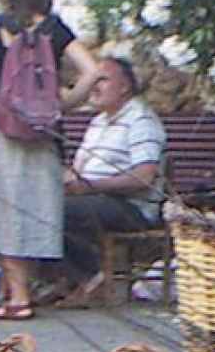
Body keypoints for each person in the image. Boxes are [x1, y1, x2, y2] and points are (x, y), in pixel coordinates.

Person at [0, 0, 99, 320]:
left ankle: (18, 298)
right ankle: (23, 292)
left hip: (2, 135)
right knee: (35, 210)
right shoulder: (56, 31)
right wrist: (64, 102)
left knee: (5, 211)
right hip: (44, 136)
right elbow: (93, 71)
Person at [56, 57, 167, 308]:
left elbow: (144, 177)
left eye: (102, 80)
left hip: (131, 206)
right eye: (93, 80)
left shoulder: (141, 120)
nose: (94, 87)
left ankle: (91, 278)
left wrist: (91, 187)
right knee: (33, 203)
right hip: (95, 198)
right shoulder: (99, 121)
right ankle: (65, 282)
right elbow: (78, 169)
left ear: (125, 86)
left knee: (57, 211)